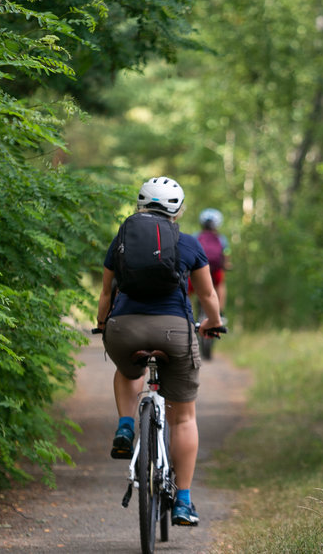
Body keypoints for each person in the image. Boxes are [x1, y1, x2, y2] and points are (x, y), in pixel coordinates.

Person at [96, 176, 223, 527]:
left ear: (140, 205)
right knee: (184, 417)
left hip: (124, 330)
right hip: (174, 331)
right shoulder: (188, 244)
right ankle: (183, 501)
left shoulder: (120, 242)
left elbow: (106, 296)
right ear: (178, 210)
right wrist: (212, 322)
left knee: (127, 371)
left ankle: (125, 426)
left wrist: (103, 324)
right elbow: (208, 296)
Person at [193, 208, 230, 316]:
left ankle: (185, 311)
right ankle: (220, 312)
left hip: (198, 269)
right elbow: (226, 252)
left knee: (186, 288)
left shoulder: (197, 236)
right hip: (215, 269)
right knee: (220, 285)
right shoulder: (221, 238)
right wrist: (226, 264)